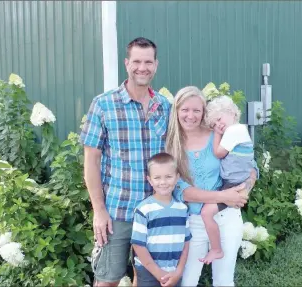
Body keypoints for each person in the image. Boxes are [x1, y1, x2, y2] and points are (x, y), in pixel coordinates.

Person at [80, 37, 171, 286]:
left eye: (148, 62)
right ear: (126, 63)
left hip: (156, 211)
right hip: (118, 211)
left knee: (148, 279)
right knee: (107, 279)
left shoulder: (165, 107)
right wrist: (99, 210)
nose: (143, 67)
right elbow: (91, 162)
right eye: (137, 61)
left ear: (156, 65)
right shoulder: (104, 104)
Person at [165, 86, 257, 287]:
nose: (191, 116)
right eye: (185, 110)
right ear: (176, 111)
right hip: (193, 221)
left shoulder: (218, 135)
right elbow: (181, 191)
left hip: (227, 217)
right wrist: (224, 197)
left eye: (196, 110)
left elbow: (250, 167)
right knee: (187, 281)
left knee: (223, 281)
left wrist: (243, 191)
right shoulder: (171, 145)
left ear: (204, 112)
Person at [198, 95, 255, 264]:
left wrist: (216, 133)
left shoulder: (234, 131)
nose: (218, 125)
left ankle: (216, 249)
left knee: (206, 212)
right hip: (235, 181)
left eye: (219, 119)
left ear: (231, 112)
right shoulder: (237, 131)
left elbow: (218, 153)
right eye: (214, 124)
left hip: (234, 184)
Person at [131, 152, 190, 287]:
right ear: (150, 180)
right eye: (157, 178)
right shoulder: (144, 209)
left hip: (174, 273)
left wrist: (179, 271)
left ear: (177, 178)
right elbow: (138, 245)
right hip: (148, 272)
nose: (163, 182)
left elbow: (186, 243)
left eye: (168, 177)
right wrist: (158, 273)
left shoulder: (182, 209)